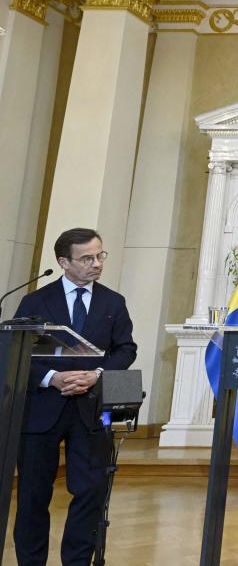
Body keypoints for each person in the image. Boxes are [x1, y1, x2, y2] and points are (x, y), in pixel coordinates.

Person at [14, 227, 137, 566]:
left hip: (91, 409)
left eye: (100, 255)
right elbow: (15, 354)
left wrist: (96, 375)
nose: (96, 263)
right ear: (63, 262)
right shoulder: (35, 301)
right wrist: (53, 378)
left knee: (89, 492)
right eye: (87, 258)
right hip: (41, 410)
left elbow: (126, 348)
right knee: (33, 496)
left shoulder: (113, 302)